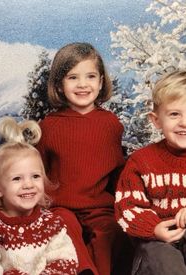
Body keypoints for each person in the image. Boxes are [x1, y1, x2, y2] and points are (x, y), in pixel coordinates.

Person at [36, 42, 133, 275]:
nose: (82, 84)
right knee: (63, 225)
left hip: (99, 206)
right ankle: (84, 271)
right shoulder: (49, 127)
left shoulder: (110, 124)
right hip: (60, 206)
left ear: (101, 82)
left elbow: (117, 170)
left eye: (90, 76)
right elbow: (38, 171)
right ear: (59, 85)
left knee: (109, 230)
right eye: (72, 77)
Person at [115, 70, 186, 275]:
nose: (185, 122)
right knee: (161, 256)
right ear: (156, 120)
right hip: (156, 246)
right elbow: (126, 206)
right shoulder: (141, 161)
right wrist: (153, 229)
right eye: (174, 114)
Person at [0, 116, 78, 275]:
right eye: (17, 178)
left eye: (35, 176)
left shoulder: (50, 223)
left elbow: (66, 260)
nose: (28, 185)